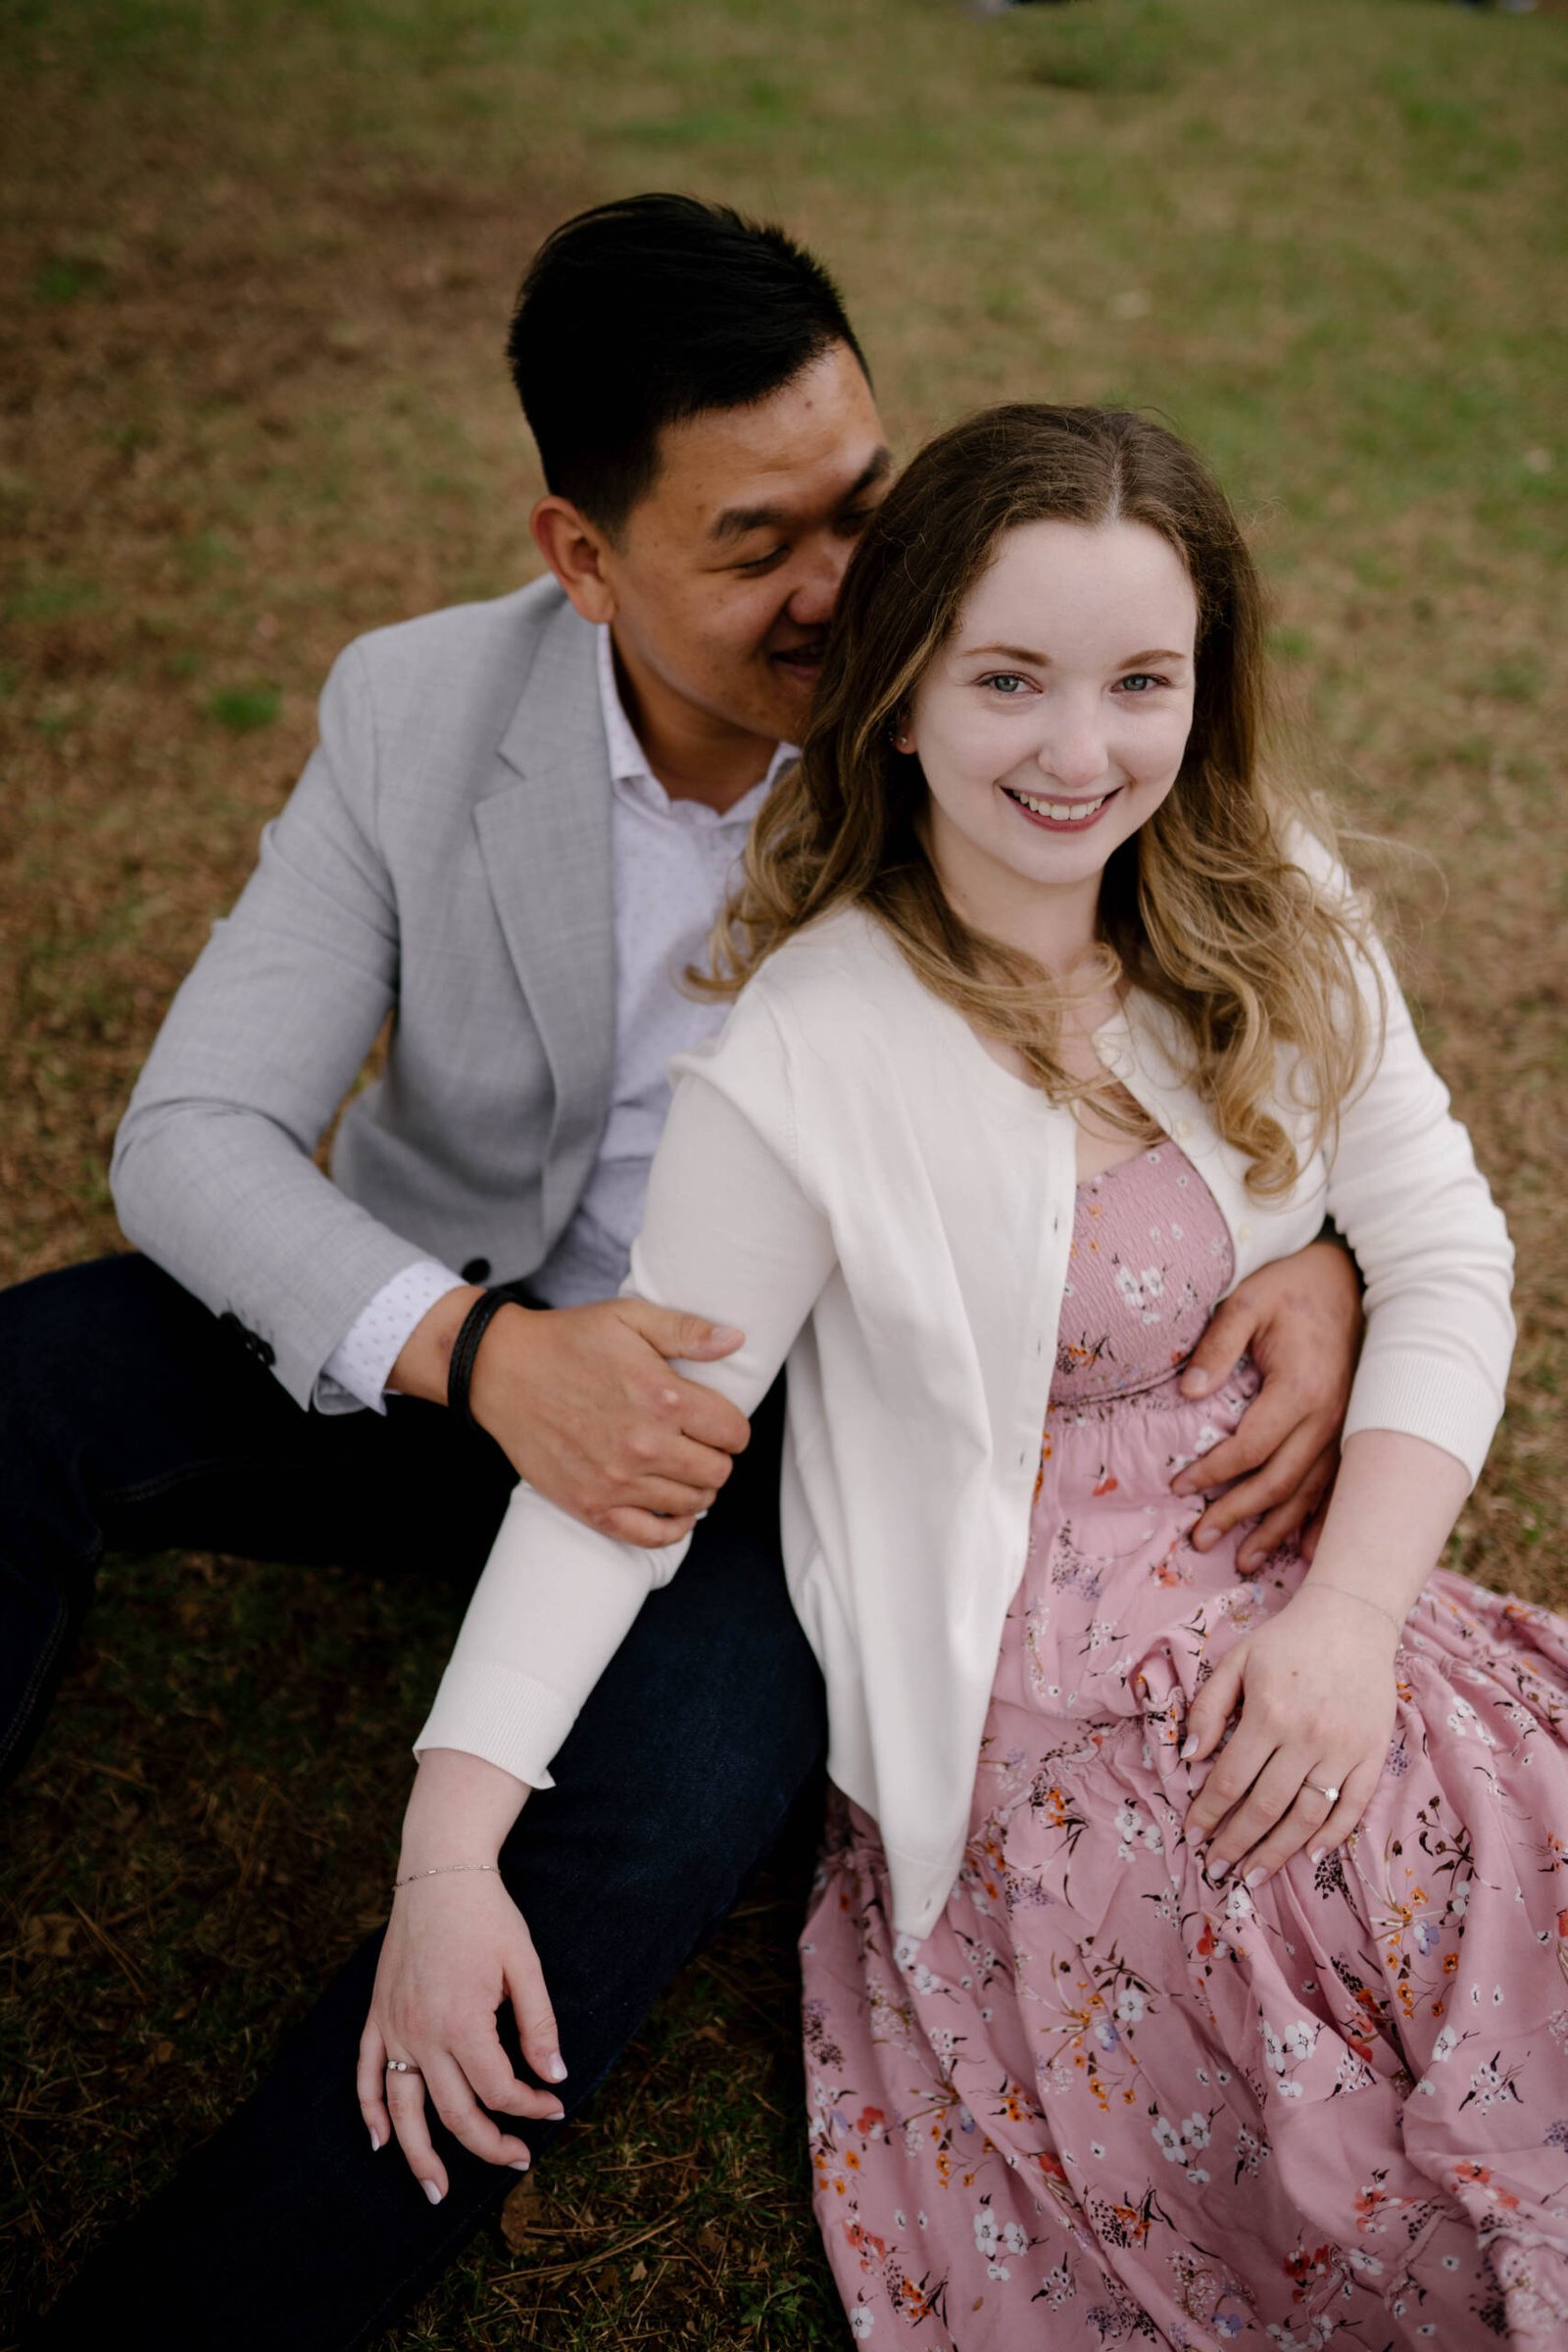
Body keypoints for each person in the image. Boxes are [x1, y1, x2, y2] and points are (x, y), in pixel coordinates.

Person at [13, 206, 1360, 2347]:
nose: (843, 585)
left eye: (861, 502)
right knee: (32, 1380)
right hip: (458, 1343)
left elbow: (1238, 990)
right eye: (756, 545)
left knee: (662, 1816)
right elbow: (187, 1138)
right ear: (581, 554)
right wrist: (475, 1353)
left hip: (784, 1445)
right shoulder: (414, 706)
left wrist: (1322, 1251)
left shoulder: (986, 714)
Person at [365, 404, 1567, 2347]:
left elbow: (1446, 1252)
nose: (1079, 752)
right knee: (1347, 2085)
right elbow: (629, 1470)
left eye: (1140, 682)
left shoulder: (1266, 900)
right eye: (1009, 680)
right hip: (1044, 1728)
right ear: (901, 694)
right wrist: (446, 1855)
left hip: (1321, 1605)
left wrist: (1350, 1619)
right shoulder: (807, 1052)